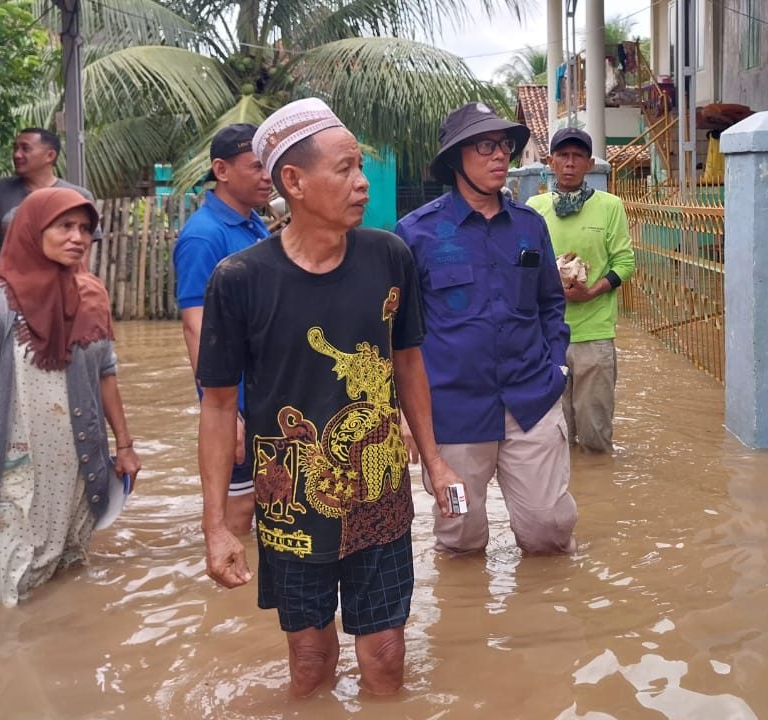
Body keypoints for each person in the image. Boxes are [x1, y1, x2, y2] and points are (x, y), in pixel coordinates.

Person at [195, 98, 462, 698]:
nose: (362, 181)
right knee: (310, 659)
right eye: (344, 168)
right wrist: (216, 525)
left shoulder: (389, 257)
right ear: (294, 181)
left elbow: (408, 361)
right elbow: (216, 406)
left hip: (379, 491)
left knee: (388, 654)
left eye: (360, 166)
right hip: (293, 503)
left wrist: (436, 460)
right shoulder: (239, 280)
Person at [395, 102, 577, 556]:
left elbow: (551, 304)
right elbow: (394, 334)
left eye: (504, 146)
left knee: (549, 531)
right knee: (459, 539)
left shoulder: (530, 228)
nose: (500, 156)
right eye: (485, 146)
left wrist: (556, 367)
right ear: (457, 159)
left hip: (531, 402)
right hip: (452, 418)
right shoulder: (415, 235)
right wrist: (402, 413)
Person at [0, 188, 141, 607]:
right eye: (65, 226)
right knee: (13, 577)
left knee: (68, 572)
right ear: (32, 230)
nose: (78, 237)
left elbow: (106, 373)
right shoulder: (1, 302)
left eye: (84, 229)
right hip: (18, 468)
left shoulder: (88, 295)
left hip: (78, 462)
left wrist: (125, 446)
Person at [173, 124, 273, 536]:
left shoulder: (254, 226)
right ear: (222, 170)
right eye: (256, 167)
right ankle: (227, 595)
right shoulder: (203, 236)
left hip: (266, 389)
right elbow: (196, 326)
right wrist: (221, 410)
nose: (268, 176)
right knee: (240, 505)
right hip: (237, 395)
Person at [527, 128, 634, 454]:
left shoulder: (610, 206)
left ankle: (600, 491)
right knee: (554, 435)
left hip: (595, 336)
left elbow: (625, 262)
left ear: (589, 164)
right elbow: (523, 264)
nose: (570, 163)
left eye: (577, 157)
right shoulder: (533, 208)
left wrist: (593, 291)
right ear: (550, 162)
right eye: (563, 156)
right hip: (547, 336)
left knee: (595, 432)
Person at [0, 128, 102, 262]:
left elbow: (83, 255)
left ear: (50, 155)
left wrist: (78, 281)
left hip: (58, 282)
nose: (17, 154)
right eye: (15, 148)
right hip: (7, 280)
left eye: (25, 149)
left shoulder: (78, 196)